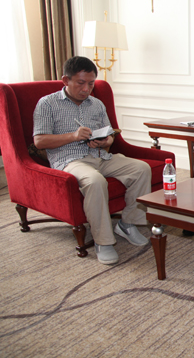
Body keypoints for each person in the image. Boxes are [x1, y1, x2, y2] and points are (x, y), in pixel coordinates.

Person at [33, 56, 152, 265]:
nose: (86, 89)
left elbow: (110, 136)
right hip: (70, 160)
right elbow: (39, 141)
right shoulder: (47, 103)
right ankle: (103, 241)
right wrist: (73, 136)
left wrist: (105, 141)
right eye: (81, 83)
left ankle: (127, 224)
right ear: (66, 80)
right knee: (95, 181)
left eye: (91, 84)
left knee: (141, 168)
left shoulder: (96, 104)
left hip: (100, 156)